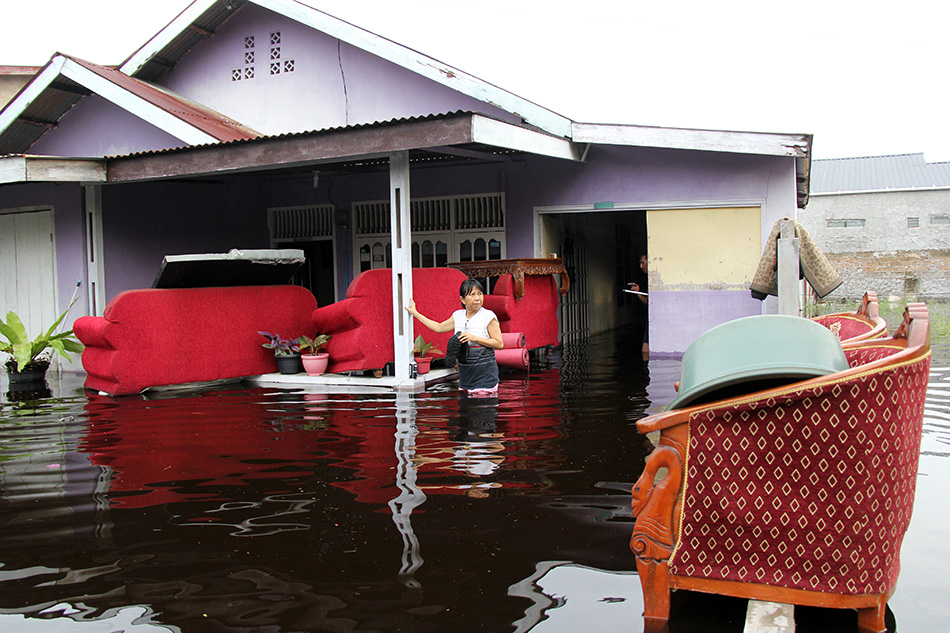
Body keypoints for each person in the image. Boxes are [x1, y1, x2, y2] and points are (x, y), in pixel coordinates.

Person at [406, 278, 504, 394]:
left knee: (482, 409)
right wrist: (415, 313)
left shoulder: (488, 316)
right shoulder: (458, 316)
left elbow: (499, 344)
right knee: (465, 410)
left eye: (480, 294)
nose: (477, 298)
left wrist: (474, 338)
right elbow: (439, 327)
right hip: (465, 378)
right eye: (472, 295)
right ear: (463, 300)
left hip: (485, 378)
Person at [628, 254, 649, 361]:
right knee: (644, 350)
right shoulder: (648, 279)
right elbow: (649, 304)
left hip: (654, 320)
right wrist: (638, 293)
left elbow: (649, 304)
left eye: (642, 262)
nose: (641, 266)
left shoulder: (653, 280)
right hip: (650, 319)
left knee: (645, 350)